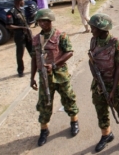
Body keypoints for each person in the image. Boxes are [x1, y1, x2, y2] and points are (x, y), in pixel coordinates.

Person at [30, 9, 80, 146]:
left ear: (50, 21)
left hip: (60, 75)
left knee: (69, 99)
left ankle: (74, 122)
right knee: (44, 104)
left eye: (45, 21)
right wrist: (32, 77)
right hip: (44, 78)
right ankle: (44, 130)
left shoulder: (60, 36)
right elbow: (34, 58)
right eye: (40, 21)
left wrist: (54, 64)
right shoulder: (35, 39)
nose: (42, 23)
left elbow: (69, 52)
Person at [87, 14, 119, 153]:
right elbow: (91, 61)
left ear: (102, 28)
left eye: (93, 28)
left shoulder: (116, 43)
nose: (91, 30)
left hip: (115, 83)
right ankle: (106, 135)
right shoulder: (93, 41)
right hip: (99, 84)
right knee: (101, 110)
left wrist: (113, 90)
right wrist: (97, 81)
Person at [6, 0, 32, 77]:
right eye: (23, 1)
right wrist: (21, 28)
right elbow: (9, 25)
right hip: (19, 36)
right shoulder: (11, 12)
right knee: (20, 54)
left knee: (33, 52)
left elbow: (25, 22)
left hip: (27, 34)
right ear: (19, 1)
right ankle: (20, 71)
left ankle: (38, 66)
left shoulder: (22, 10)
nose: (24, 2)